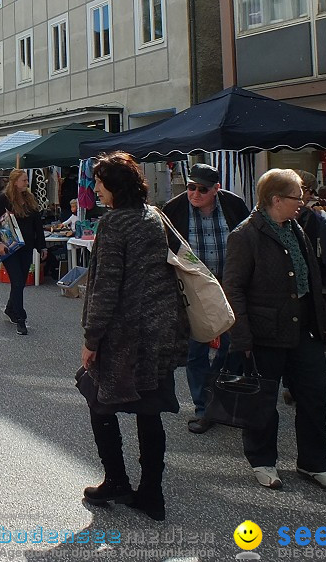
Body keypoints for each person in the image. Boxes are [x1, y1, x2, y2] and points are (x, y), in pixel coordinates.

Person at [80, 152, 186, 522]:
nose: (94, 189)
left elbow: (107, 287)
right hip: (159, 330)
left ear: (115, 186)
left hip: (124, 335)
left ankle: (116, 480)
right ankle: (152, 494)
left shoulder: (115, 223)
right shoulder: (153, 216)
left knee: (97, 398)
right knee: (149, 411)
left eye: (99, 182)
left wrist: (92, 340)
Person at [222, 168, 326, 491]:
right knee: (263, 401)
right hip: (265, 333)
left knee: (315, 395)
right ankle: (262, 460)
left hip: (303, 329)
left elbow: (309, 277)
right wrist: (242, 336)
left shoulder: (295, 227)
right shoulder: (245, 235)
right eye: (296, 197)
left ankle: (314, 462)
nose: (302, 203)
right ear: (276, 199)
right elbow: (232, 289)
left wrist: (324, 317)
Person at [162, 163, 250, 435]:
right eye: (191, 187)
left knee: (231, 346)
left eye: (202, 189)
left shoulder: (234, 206)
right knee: (196, 349)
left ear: (216, 190)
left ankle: (219, 397)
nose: (195, 193)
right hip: (193, 290)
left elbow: (248, 242)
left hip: (228, 287)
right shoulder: (174, 209)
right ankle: (203, 408)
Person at [0, 169, 47, 336]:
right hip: (9, 248)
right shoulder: (4, 199)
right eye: (24, 180)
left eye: (27, 180)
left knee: (19, 281)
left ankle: (9, 308)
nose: (27, 183)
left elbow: (37, 225)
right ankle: (21, 319)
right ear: (15, 182)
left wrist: (42, 246)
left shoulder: (30, 199)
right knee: (18, 281)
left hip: (26, 247)